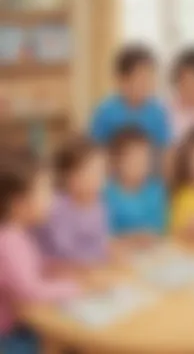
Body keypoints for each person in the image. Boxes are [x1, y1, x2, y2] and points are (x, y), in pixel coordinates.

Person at [0, 152, 82, 354]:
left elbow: (25, 267)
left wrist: (52, 265)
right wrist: (75, 287)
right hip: (9, 337)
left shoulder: (17, 233)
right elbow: (30, 292)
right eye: (45, 191)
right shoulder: (8, 241)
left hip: (21, 325)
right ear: (19, 204)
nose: (53, 199)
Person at [36, 136, 110, 266]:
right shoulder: (56, 208)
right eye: (90, 171)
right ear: (68, 176)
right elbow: (64, 256)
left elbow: (100, 245)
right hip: (64, 276)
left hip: (94, 272)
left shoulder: (99, 203)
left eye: (101, 171)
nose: (98, 178)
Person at [90, 44, 171, 149]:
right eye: (141, 78)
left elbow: (165, 149)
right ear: (122, 80)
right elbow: (95, 150)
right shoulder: (106, 113)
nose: (147, 84)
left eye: (150, 77)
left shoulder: (157, 113)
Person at [104, 127, 167, 245]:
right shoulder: (107, 193)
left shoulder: (156, 189)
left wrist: (151, 235)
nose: (140, 165)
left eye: (145, 159)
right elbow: (105, 232)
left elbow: (160, 226)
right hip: (119, 253)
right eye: (133, 160)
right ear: (116, 162)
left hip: (152, 251)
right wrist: (131, 238)